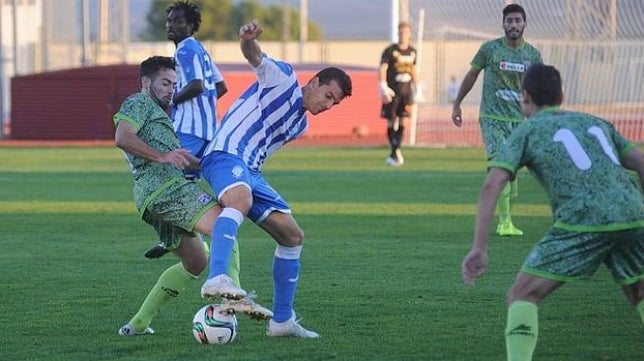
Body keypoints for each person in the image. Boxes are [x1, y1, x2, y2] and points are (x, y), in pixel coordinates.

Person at [461, 63, 644, 361]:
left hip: (583, 218)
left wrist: (479, 248)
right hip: (633, 212)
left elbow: (492, 184)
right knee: (639, 291)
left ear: (525, 96)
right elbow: (640, 162)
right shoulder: (596, 123)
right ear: (563, 95)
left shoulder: (528, 129)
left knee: (523, 294)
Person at [199, 20, 352, 338]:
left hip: (250, 172)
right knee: (241, 200)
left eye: (333, 103)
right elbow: (254, 57)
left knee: (293, 236)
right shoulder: (283, 78)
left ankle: (282, 321)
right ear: (314, 81)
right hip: (225, 154)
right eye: (327, 95)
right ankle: (216, 277)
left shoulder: (300, 126)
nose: (326, 105)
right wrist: (246, 40)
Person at [113, 56, 272, 337]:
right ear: (146, 82)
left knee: (196, 263)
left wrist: (229, 164)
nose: (171, 89)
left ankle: (137, 324)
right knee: (226, 223)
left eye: (174, 84)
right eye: (165, 83)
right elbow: (122, 137)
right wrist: (162, 156)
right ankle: (233, 297)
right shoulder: (138, 103)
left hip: (151, 199)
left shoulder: (161, 114)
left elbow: (186, 160)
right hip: (167, 189)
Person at [451, 4, 542, 236]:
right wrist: (457, 103)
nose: (513, 25)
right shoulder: (489, 50)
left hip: (518, 121)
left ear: (524, 24)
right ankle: (504, 223)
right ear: (503, 24)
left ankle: (508, 218)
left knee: (512, 174)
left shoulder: (533, 55)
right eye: (509, 21)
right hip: (491, 117)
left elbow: (539, 88)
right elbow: (471, 75)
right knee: (500, 164)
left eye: (517, 21)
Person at [379, 21, 419, 167]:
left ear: (410, 34)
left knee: (404, 121)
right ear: (398, 33)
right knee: (391, 120)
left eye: (406, 33)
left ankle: (395, 152)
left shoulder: (413, 51)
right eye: (401, 32)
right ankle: (395, 152)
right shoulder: (390, 50)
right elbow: (383, 68)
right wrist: (383, 85)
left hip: (406, 92)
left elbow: (413, 69)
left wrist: (418, 86)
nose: (403, 35)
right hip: (392, 91)